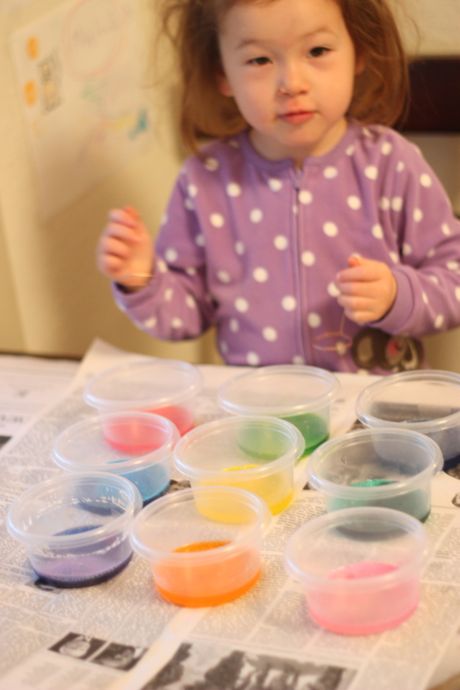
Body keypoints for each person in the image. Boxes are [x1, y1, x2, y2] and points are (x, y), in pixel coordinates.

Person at [97, 0, 460, 375]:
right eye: (259, 61)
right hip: (261, 415)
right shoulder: (205, 180)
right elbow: (184, 316)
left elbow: (454, 280)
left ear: (359, 52)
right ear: (222, 73)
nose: (292, 84)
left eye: (317, 51)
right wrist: (141, 279)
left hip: (376, 413)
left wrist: (397, 296)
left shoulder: (390, 163)